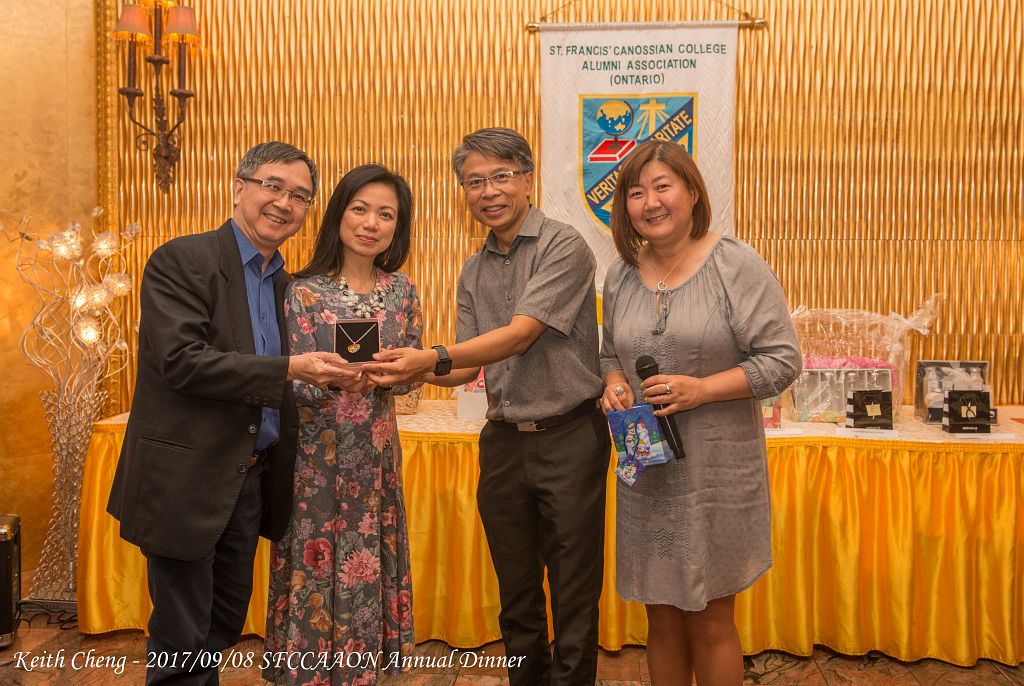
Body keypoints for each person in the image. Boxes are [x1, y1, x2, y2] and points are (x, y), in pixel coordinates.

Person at [369, 127, 611, 686]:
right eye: (474, 182)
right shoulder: (473, 270)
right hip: (502, 441)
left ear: (527, 179)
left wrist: (429, 356)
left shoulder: (563, 246)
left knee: (573, 591)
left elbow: (520, 335)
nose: (489, 191)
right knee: (516, 590)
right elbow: (465, 368)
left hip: (570, 437)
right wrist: (398, 368)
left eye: (501, 176)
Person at [107, 141, 354, 685]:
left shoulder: (288, 286)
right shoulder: (184, 260)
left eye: (300, 196)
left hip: (250, 480)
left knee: (221, 624)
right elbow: (182, 363)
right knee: (181, 636)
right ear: (239, 187)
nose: (284, 203)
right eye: (273, 186)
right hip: (185, 479)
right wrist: (291, 368)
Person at [599, 139, 802, 686]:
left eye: (662, 187)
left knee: (711, 619)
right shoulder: (621, 274)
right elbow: (608, 354)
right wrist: (614, 383)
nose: (650, 202)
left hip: (717, 471)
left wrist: (703, 389)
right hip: (649, 474)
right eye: (636, 192)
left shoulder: (734, 263)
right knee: (661, 617)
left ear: (692, 192)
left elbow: (782, 360)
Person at [263, 164, 420, 685]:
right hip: (316, 464)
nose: (371, 223)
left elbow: (414, 375)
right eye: (360, 209)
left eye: (386, 214)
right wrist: (332, 380)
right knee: (316, 568)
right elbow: (287, 381)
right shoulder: (302, 292)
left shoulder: (402, 291)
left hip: (376, 463)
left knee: (370, 559)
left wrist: (392, 376)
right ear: (338, 215)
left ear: (397, 227)